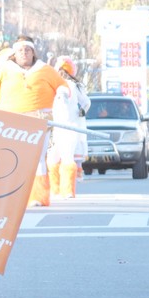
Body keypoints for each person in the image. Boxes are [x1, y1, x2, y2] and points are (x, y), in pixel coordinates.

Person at [0, 35, 66, 207]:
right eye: (20, 50)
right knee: (13, 159)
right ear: (14, 53)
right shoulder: (4, 70)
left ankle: (38, 197)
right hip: (12, 122)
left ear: (33, 52)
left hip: (40, 120)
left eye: (27, 50)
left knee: (37, 159)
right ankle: (13, 195)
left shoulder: (45, 69)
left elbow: (62, 85)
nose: (24, 53)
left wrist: (62, 93)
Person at [47, 55, 89, 198]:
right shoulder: (53, 85)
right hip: (55, 128)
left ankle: (68, 190)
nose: (62, 73)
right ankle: (55, 189)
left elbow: (86, 102)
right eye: (60, 70)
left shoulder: (73, 86)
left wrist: (82, 111)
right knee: (52, 159)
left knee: (67, 157)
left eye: (64, 70)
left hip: (70, 128)